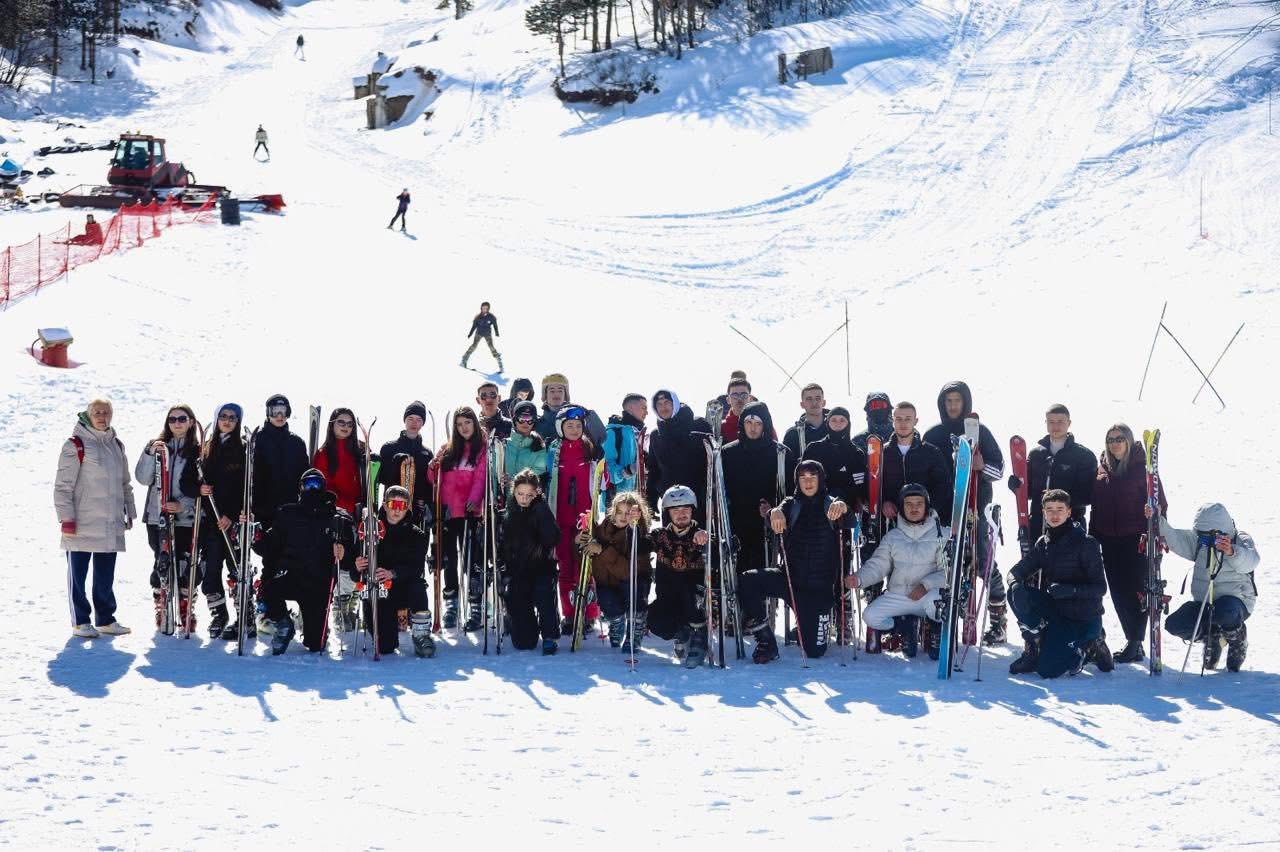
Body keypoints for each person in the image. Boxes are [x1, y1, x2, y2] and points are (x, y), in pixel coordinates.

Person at [740, 460, 850, 663]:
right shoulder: (792, 503)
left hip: (819, 592)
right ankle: (766, 641)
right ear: (797, 481)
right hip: (790, 581)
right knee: (748, 580)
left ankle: (805, 624)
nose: (808, 482)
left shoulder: (831, 503)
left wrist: (843, 507)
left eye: (812, 477)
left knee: (815, 652)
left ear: (821, 479)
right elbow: (775, 515)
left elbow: (849, 517)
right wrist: (774, 512)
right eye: (803, 478)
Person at [922, 381, 1007, 642]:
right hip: (943, 510)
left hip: (976, 507)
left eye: (957, 400)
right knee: (942, 563)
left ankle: (998, 619)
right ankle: (937, 621)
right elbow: (923, 472)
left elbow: (999, 470)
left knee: (981, 561)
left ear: (965, 402)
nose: (952, 406)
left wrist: (981, 466)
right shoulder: (933, 434)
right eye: (948, 401)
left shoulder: (980, 431)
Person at [1007, 489, 1112, 677]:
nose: (1054, 515)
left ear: (1069, 512)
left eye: (1059, 509)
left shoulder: (1086, 543)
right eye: (1050, 510)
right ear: (1043, 512)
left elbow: (1100, 588)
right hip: (1058, 612)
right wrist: (1015, 584)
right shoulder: (1044, 543)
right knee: (1015, 593)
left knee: (1048, 671)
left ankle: (1092, 644)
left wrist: (1071, 590)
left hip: (1084, 618)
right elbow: (1017, 571)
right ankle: (1034, 647)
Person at [55, 398, 137, 638]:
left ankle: (105, 620)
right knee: (78, 575)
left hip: (110, 521)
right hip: (81, 522)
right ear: (88, 415)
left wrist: (129, 511)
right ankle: (80, 621)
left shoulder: (116, 445)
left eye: (106, 412)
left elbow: (125, 483)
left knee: (105, 574)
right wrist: (66, 519)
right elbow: (63, 486)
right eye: (97, 412)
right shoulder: (75, 444)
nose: (102, 416)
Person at [844, 484, 947, 658]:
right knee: (870, 616)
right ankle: (903, 626)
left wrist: (925, 585)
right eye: (908, 504)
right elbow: (878, 565)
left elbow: (948, 573)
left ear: (927, 506)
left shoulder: (941, 535)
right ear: (901, 507)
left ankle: (934, 628)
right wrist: (859, 579)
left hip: (927, 596)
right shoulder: (893, 536)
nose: (914, 508)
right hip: (900, 595)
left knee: (937, 603)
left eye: (919, 504)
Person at [1090, 424, 1165, 663]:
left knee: (1136, 592)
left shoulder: (1143, 469)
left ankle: (1135, 641)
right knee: (1119, 593)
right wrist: (1093, 537)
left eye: (1119, 439)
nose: (1115, 443)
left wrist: (1153, 516)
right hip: (1109, 540)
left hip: (1136, 539)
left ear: (1129, 441)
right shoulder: (1102, 469)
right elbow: (1096, 506)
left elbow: (1160, 503)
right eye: (1110, 439)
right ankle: (1133, 641)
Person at [1154, 502, 1258, 672]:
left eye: (1211, 538)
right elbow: (1175, 538)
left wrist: (1232, 552)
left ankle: (1237, 637)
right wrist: (1158, 520)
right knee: (1175, 624)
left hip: (1236, 603)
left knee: (1225, 612)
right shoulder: (1199, 542)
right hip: (1205, 602)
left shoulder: (1240, 539)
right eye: (1202, 538)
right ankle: (1212, 637)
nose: (1206, 542)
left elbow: (1251, 561)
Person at [254, 469, 347, 654]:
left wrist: (343, 549)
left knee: (315, 644)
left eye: (317, 484)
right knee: (269, 589)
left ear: (323, 487)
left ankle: (311, 623)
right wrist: (255, 537)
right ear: (301, 488)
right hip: (291, 576)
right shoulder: (288, 513)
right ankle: (283, 624)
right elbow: (269, 547)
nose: (312, 489)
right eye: (308, 484)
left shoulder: (336, 517)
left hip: (318, 584)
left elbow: (351, 546)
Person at [134, 404, 201, 630]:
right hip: (157, 516)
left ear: (190, 422)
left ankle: (185, 606)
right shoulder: (157, 446)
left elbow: (200, 486)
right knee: (161, 560)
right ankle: (161, 603)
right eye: (172, 419)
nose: (177, 423)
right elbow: (143, 478)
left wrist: (182, 505)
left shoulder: (198, 450)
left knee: (185, 562)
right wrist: (149, 453)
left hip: (186, 518)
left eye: (182, 419)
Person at [352, 486, 434, 657]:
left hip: (403, 586)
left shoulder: (416, 534)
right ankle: (379, 627)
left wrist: (394, 573)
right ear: (384, 505)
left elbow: (416, 568)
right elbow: (356, 573)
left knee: (418, 586)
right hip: (379, 591)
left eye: (402, 505)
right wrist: (357, 566)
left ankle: (421, 635)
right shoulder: (370, 530)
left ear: (408, 507)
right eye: (393, 504)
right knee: (386, 647)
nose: (397, 510)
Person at [427, 407, 487, 630]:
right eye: (459, 424)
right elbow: (435, 479)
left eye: (467, 423)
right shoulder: (448, 449)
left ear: (474, 424)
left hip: (470, 512)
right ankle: (451, 604)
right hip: (447, 513)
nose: (464, 428)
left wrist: (475, 499)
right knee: (449, 560)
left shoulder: (482, 449)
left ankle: (475, 606)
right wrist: (432, 468)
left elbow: (481, 477)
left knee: (472, 562)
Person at [721, 401, 792, 577]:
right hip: (736, 523)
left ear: (765, 425)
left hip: (767, 525)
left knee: (764, 574)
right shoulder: (727, 453)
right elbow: (720, 488)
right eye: (748, 422)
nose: (753, 428)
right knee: (738, 574)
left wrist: (775, 507)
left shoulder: (781, 453)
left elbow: (790, 491)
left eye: (758, 423)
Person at [311, 408, 367, 631]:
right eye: (341, 422)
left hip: (358, 514)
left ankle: (351, 604)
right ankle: (339, 606)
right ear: (332, 424)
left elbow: (368, 478)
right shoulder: (324, 454)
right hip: (335, 516)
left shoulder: (360, 450)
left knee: (358, 560)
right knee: (341, 559)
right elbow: (324, 487)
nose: (345, 427)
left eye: (350, 424)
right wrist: (343, 505)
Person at [546, 405, 600, 634]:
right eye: (569, 425)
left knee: (585, 567)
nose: (574, 429)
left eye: (578, 425)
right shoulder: (553, 451)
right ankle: (569, 614)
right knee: (565, 568)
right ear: (561, 427)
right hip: (560, 519)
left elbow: (602, 480)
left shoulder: (590, 450)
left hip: (584, 519)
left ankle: (589, 613)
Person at [1009, 404, 1096, 541]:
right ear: (1046, 423)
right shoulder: (1036, 454)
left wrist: (1057, 499)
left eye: (1060, 421)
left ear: (1069, 423)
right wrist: (1017, 486)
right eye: (1051, 422)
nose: (1056, 426)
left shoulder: (1083, 455)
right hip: (1038, 524)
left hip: (1070, 526)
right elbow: (1029, 492)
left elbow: (1087, 495)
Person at [647, 485, 711, 667]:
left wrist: (708, 540)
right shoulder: (660, 536)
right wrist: (634, 525)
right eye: (675, 510)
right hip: (668, 598)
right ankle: (681, 633)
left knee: (689, 591)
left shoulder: (701, 535)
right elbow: (639, 545)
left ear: (692, 510)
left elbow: (720, 549)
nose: (681, 514)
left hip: (694, 600)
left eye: (685, 509)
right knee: (653, 619)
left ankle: (699, 634)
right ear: (668, 513)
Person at [581, 492, 653, 653]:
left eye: (628, 513)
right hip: (608, 582)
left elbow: (628, 571)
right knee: (607, 600)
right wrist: (582, 540)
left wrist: (602, 550)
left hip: (632, 582)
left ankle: (634, 632)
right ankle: (617, 621)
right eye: (619, 512)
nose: (623, 516)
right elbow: (589, 551)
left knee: (633, 592)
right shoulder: (604, 529)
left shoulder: (640, 537)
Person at [199, 403, 246, 640]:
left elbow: (246, 487)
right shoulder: (207, 448)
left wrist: (232, 514)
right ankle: (219, 614)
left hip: (232, 521)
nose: (227, 421)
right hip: (211, 521)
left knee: (237, 569)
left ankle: (244, 615)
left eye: (233, 418)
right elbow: (191, 479)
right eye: (223, 416)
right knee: (210, 569)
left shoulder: (244, 449)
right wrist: (199, 489)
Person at [502, 469, 561, 654]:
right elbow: (502, 545)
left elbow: (552, 538)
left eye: (529, 495)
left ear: (536, 493)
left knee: (544, 593)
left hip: (541, 568)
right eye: (520, 494)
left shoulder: (541, 510)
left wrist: (541, 508)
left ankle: (550, 635)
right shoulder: (508, 512)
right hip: (517, 572)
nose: (524, 499)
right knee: (524, 643)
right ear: (514, 491)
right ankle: (516, 620)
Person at [879, 402, 952, 525]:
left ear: (915, 421)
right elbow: (873, 484)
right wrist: (883, 502)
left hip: (925, 521)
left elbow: (943, 484)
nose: (903, 423)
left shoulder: (931, 452)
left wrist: (929, 508)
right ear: (892, 421)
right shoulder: (881, 453)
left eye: (908, 419)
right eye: (898, 419)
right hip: (891, 521)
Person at [644, 389, 710, 521]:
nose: (663, 407)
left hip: (698, 499)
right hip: (670, 500)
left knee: (699, 533)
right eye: (659, 404)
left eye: (667, 402)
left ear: (675, 403)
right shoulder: (656, 435)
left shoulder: (698, 425)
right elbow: (654, 469)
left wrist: (711, 495)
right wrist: (651, 499)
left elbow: (711, 462)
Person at [376, 400, 436, 527]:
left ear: (423, 423)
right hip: (393, 510)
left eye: (419, 420)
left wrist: (428, 505)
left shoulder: (427, 453)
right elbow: (382, 478)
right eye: (410, 418)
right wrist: (396, 461)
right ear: (404, 420)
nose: (414, 423)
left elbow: (429, 484)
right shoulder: (389, 448)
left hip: (417, 513)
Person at [801, 406, 867, 506]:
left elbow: (859, 486)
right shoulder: (813, 449)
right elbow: (803, 479)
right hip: (815, 504)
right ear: (827, 422)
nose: (838, 423)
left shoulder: (856, 453)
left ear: (848, 424)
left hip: (845, 506)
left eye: (842, 420)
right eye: (834, 420)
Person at [534, 373, 605, 444]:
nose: (556, 394)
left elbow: (601, 438)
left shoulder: (581, 417)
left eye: (560, 391)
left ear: (565, 394)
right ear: (545, 395)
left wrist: (588, 415)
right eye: (552, 391)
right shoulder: (536, 425)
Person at [603, 393, 647, 503]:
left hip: (637, 502)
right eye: (643, 408)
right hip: (616, 503)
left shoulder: (641, 435)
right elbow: (606, 470)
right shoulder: (613, 432)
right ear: (631, 408)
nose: (646, 412)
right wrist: (628, 470)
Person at [504, 400, 548, 494]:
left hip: (527, 498)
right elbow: (494, 473)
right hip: (503, 497)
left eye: (530, 419)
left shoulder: (540, 447)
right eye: (521, 418)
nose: (525, 423)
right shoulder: (503, 445)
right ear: (515, 420)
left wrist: (512, 482)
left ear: (534, 421)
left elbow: (537, 474)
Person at [782, 383, 829, 459]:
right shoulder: (793, 434)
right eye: (809, 399)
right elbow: (786, 464)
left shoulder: (836, 429)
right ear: (802, 404)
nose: (814, 403)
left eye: (818, 398)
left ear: (824, 402)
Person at [461, 302, 503, 372]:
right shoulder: (478, 317)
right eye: (483, 308)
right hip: (479, 333)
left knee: (491, 347)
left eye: (486, 308)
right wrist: (470, 334)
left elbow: (495, 325)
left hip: (487, 334)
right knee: (474, 346)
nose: (484, 309)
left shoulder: (491, 317)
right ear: (481, 308)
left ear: (488, 309)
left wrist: (497, 332)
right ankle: (464, 359)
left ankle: (500, 364)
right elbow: (474, 326)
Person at [719, 375, 761, 443]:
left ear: (750, 398)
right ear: (728, 400)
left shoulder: (762, 425)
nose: (739, 399)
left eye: (744, 395)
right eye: (735, 395)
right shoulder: (720, 428)